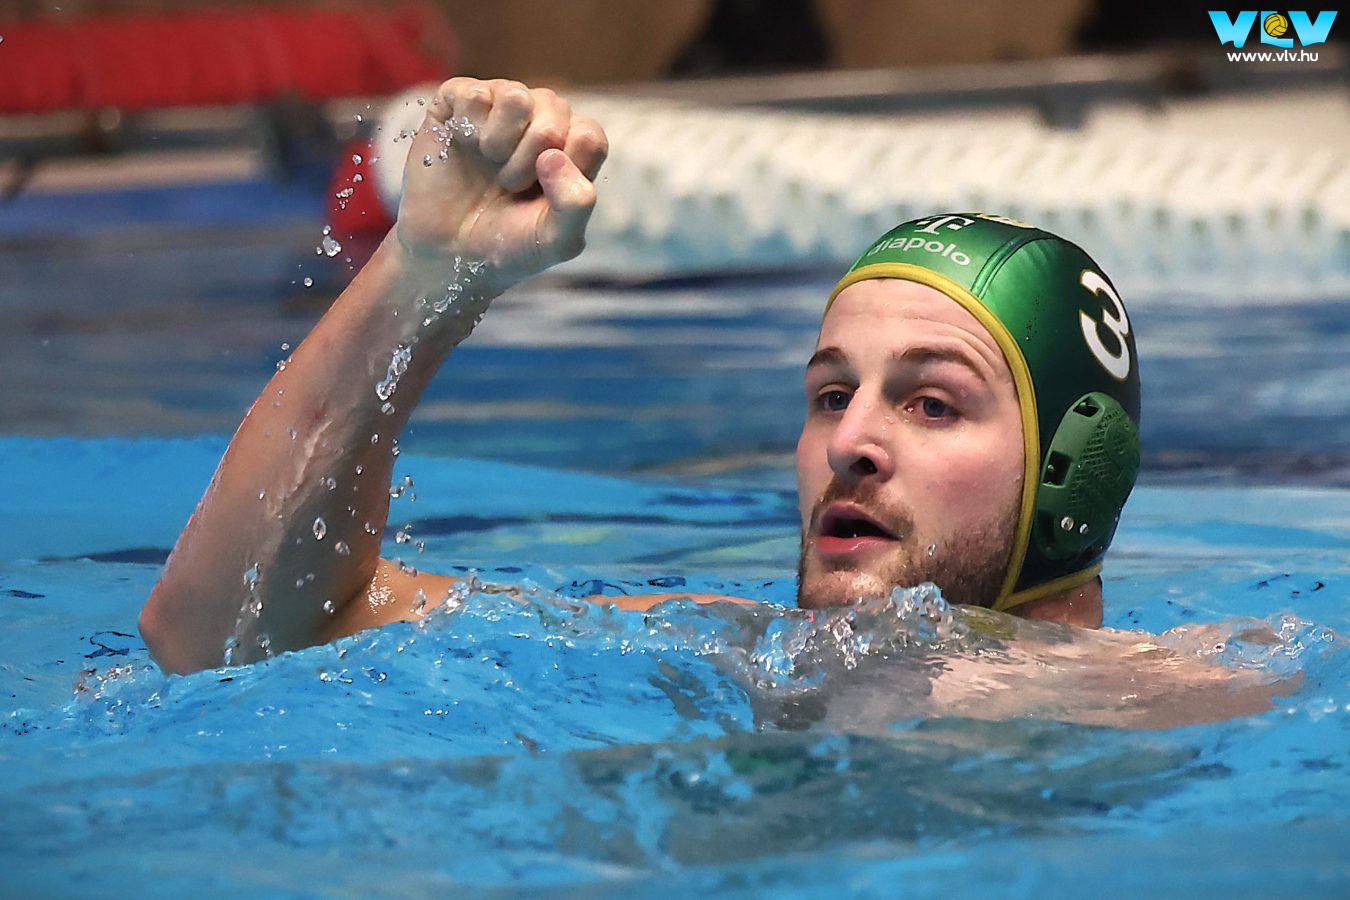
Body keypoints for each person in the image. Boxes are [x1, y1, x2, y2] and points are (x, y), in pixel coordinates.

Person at [137, 78, 1146, 683]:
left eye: (932, 403)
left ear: (1074, 477)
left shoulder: (1173, 705)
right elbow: (220, 634)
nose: (849, 443)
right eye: (832, 396)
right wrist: (425, 277)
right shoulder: (726, 655)